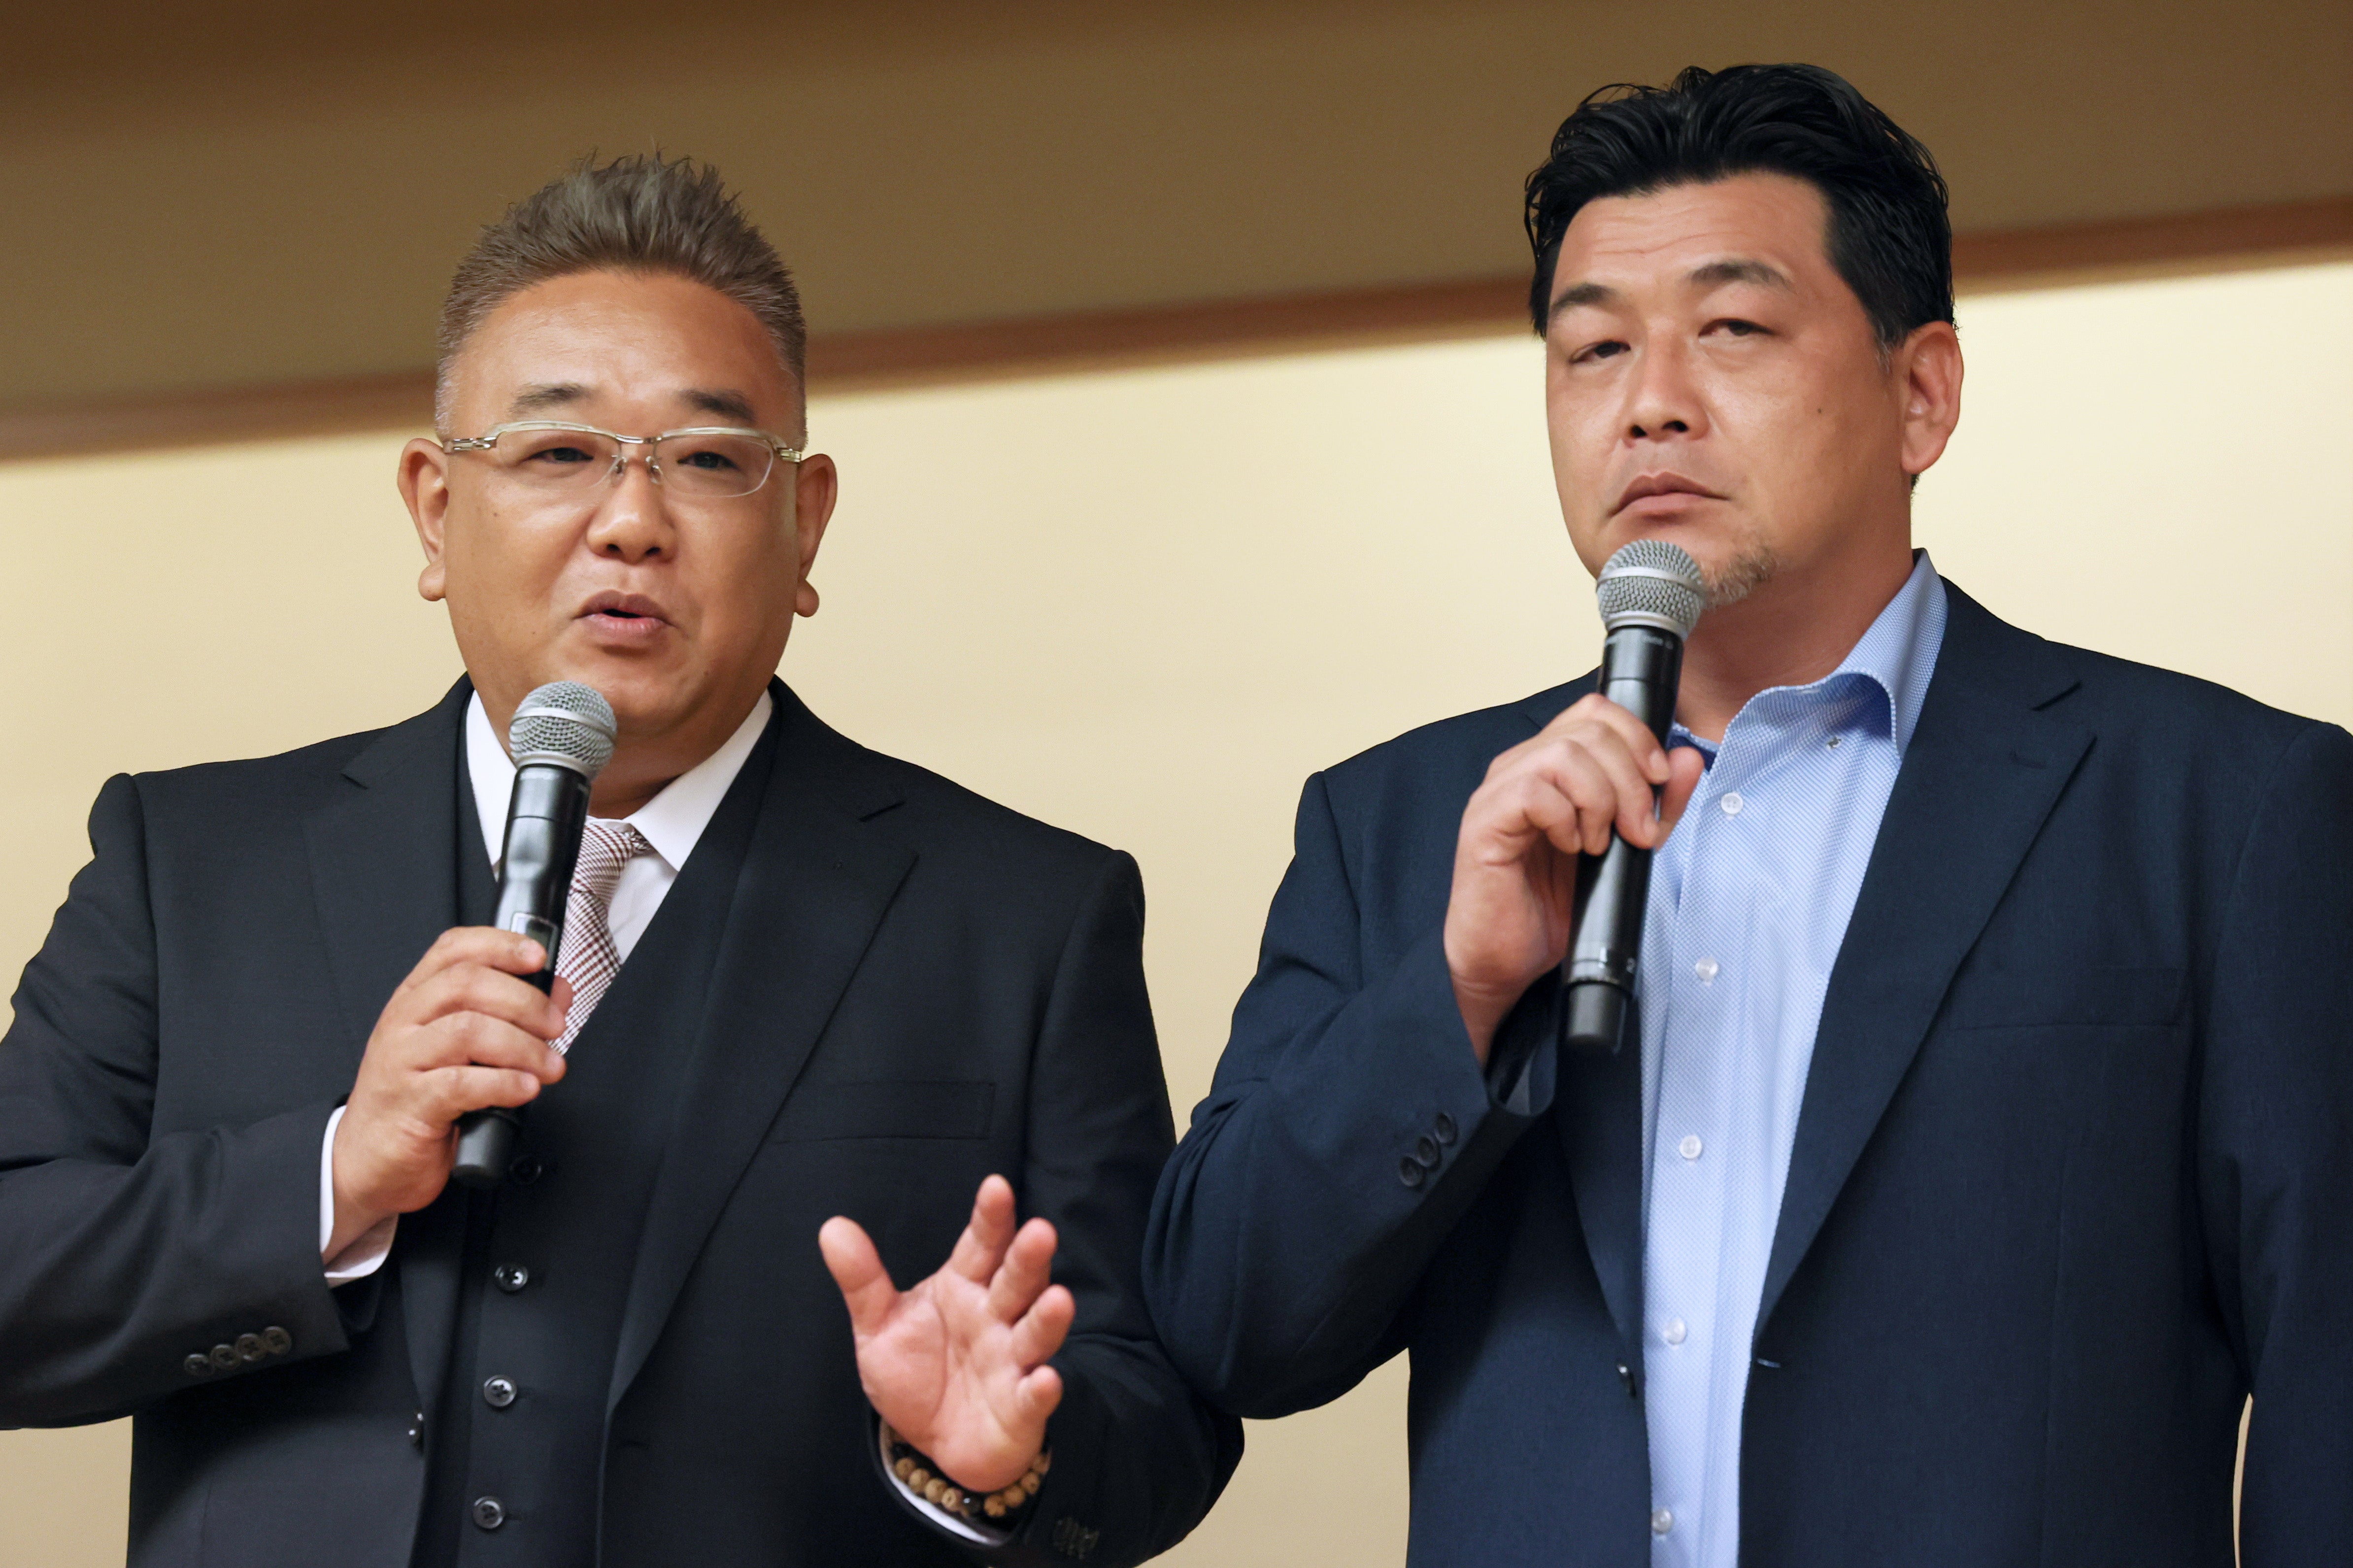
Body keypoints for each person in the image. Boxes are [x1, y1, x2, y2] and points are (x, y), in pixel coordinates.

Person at [1143, 63, 2351, 1568]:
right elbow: (1224, 1323)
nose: (1650, 402)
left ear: (1923, 395)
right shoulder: (1401, 825)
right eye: (1594, 349)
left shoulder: (2226, 814)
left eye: (1732, 330)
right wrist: (1458, 995)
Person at [0, 154, 1238, 1568]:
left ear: (806, 522)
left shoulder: (1022, 916)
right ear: (432, 509)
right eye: (557, 453)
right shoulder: (190, 868)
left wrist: (997, 1468)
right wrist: (334, 1176)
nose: (633, 522)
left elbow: (1163, 1414)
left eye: (707, 460)